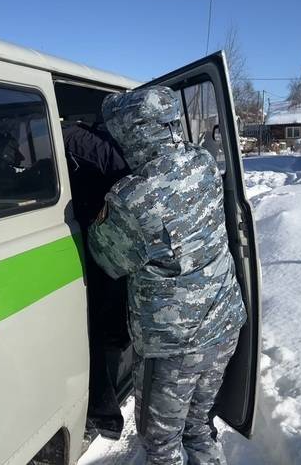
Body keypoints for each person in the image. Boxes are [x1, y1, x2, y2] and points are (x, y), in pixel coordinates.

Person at [88, 87, 246, 465]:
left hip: (173, 348)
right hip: (223, 326)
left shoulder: (133, 197)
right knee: (198, 427)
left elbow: (105, 256)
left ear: (132, 132)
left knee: (162, 447)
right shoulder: (203, 161)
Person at [61, 120, 130, 439]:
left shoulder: (77, 140)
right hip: (103, 243)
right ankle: (106, 407)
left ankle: (104, 412)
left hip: (102, 245)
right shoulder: (104, 146)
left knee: (106, 328)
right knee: (110, 327)